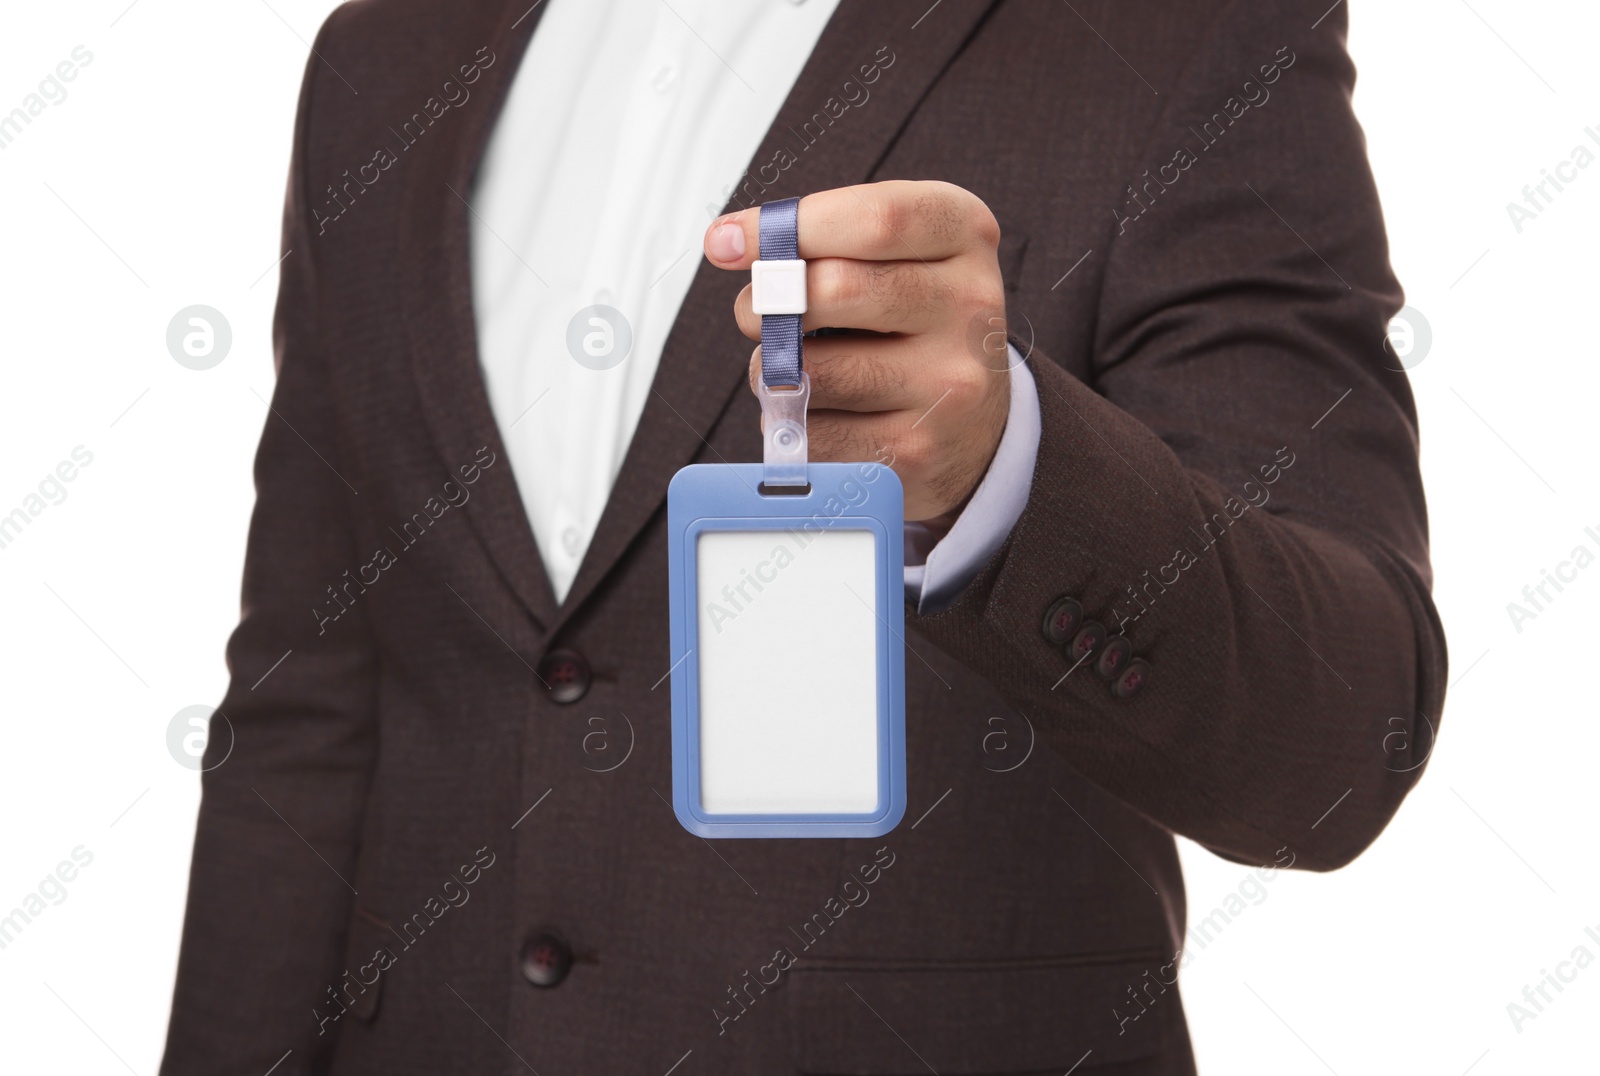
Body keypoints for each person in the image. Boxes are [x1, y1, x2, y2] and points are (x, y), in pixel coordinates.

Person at [160, 1, 1447, 1073]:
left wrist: (1009, 467)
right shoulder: (380, 61)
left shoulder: (1173, 28)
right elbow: (305, 710)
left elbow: (1343, 737)